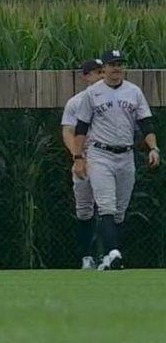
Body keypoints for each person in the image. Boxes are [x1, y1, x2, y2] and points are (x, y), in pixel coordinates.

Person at [74, 49, 160, 270]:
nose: (117, 68)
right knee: (107, 206)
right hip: (100, 154)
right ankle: (113, 253)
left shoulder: (134, 92)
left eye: (120, 64)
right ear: (104, 69)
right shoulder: (92, 93)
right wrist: (78, 157)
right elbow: (81, 128)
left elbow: (145, 123)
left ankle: (110, 257)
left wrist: (153, 148)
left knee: (120, 211)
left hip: (126, 155)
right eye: (113, 64)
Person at [61, 59, 104, 269]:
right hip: (84, 158)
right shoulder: (76, 102)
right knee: (85, 209)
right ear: (86, 76)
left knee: (107, 207)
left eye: (103, 71)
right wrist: (77, 156)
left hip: (106, 157)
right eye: (97, 72)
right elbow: (67, 131)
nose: (101, 76)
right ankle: (87, 256)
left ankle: (108, 255)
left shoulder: (115, 97)